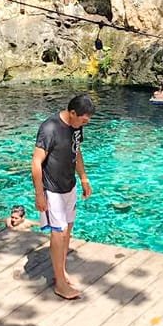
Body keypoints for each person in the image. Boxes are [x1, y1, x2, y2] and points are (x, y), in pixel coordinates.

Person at [31, 93, 95, 300]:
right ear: (72, 113)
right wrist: (39, 194)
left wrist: (84, 178)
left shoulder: (76, 128)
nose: (86, 122)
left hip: (69, 187)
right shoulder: (50, 128)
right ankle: (59, 283)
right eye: (83, 119)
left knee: (67, 231)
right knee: (58, 233)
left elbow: (77, 152)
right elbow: (36, 163)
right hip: (52, 190)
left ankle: (62, 271)